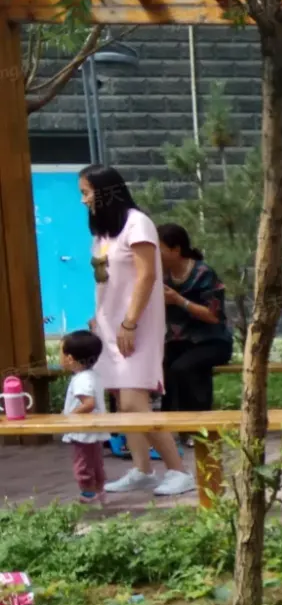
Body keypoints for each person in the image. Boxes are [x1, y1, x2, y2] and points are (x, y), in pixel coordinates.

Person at [79, 164, 196, 497]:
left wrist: (129, 322)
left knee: (134, 403)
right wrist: (98, 318)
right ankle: (143, 470)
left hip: (135, 325)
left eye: (86, 192)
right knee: (122, 400)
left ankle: (179, 470)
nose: (84, 200)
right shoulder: (104, 233)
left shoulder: (137, 223)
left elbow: (146, 276)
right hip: (108, 327)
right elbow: (108, 281)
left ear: (105, 191)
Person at [158, 223, 233, 413]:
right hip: (178, 342)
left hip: (211, 342)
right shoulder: (162, 276)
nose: (155, 255)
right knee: (162, 368)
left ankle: (198, 422)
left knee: (183, 368)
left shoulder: (203, 273)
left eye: (159, 249)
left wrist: (179, 300)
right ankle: (170, 422)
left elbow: (214, 316)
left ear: (176, 249)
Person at [58, 329, 110, 504]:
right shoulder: (93, 375)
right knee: (95, 462)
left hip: (83, 431)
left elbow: (89, 403)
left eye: (60, 353)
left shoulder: (81, 379)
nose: (59, 357)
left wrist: (68, 416)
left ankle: (89, 494)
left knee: (83, 463)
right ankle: (99, 491)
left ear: (70, 358)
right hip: (93, 429)